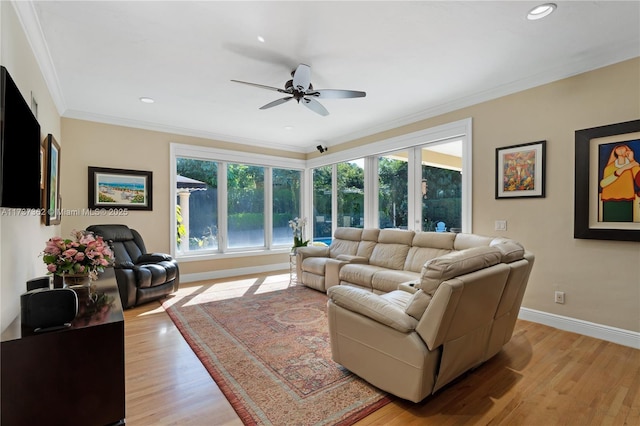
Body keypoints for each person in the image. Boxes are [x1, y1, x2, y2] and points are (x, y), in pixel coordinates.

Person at [599, 143, 640, 222]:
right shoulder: (609, 168)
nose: (621, 149)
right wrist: (623, 169)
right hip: (610, 201)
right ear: (614, 152)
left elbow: (638, 178)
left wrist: (632, 160)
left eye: (623, 148)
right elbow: (603, 183)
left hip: (627, 200)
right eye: (618, 148)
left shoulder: (633, 165)